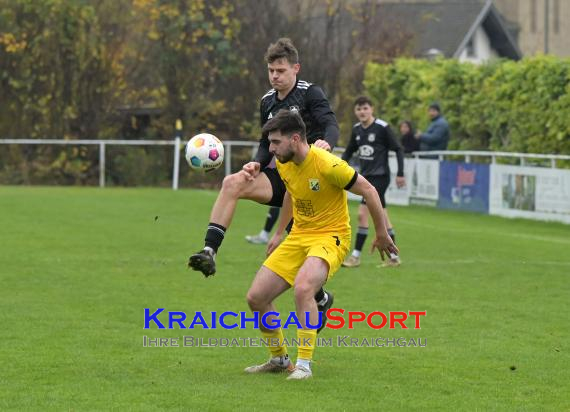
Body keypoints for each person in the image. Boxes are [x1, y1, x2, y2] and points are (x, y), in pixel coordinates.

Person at [188, 38, 339, 320]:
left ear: (296, 68)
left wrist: (327, 143)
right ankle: (210, 250)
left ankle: (319, 298)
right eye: (271, 70)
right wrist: (257, 162)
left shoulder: (310, 94)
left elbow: (331, 123)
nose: (274, 76)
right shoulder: (267, 101)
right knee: (232, 182)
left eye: (280, 70)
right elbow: (263, 140)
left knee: (297, 250)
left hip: (313, 180)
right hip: (281, 175)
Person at [244, 110, 398, 380]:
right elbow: (292, 193)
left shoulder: (328, 164)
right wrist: (280, 232)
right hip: (299, 236)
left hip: (331, 236)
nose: (270, 149)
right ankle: (279, 358)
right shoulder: (283, 161)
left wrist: (382, 233)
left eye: (275, 142)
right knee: (256, 298)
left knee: (304, 288)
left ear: (294, 139)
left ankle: (304, 365)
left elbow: (370, 191)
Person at [340, 96, 405, 268]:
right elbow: (348, 152)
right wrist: (335, 167)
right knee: (383, 216)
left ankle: (355, 256)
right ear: (355, 111)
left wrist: (400, 173)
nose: (362, 112)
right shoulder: (356, 130)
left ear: (372, 109)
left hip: (381, 177)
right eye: (359, 109)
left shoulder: (382, 128)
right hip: (366, 177)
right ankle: (394, 257)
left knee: (363, 214)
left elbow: (398, 148)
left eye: (365, 108)